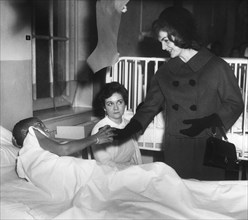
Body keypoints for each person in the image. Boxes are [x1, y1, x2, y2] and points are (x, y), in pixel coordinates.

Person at [113, 7, 244, 180]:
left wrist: (208, 122)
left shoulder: (216, 66)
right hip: (176, 144)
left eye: (166, 40)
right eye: (161, 41)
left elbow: (234, 103)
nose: (162, 47)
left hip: (205, 143)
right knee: (178, 196)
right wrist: (126, 131)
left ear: (181, 33)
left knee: (205, 198)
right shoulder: (165, 72)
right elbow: (149, 108)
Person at [91, 82, 142, 169]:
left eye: (119, 102)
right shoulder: (99, 130)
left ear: (125, 104)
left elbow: (136, 155)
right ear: (104, 107)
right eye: (110, 104)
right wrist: (129, 171)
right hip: (110, 174)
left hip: (130, 171)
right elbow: (104, 163)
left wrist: (139, 171)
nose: (116, 108)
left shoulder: (129, 125)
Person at [12, 117, 115, 156]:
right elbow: (63, 149)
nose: (47, 129)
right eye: (41, 125)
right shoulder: (32, 133)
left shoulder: (27, 153)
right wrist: (96, 138)